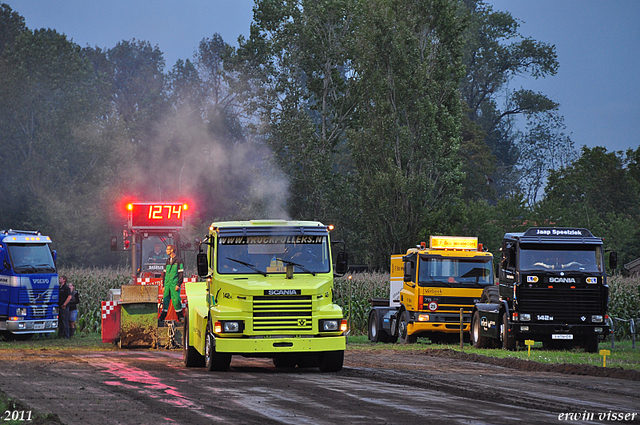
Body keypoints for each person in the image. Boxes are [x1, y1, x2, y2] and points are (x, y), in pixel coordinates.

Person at [158, 245, 184, 323]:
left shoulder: (179, 260)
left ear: (172, 250)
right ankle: (162, 317)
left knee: (176, 300)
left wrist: (178, 284)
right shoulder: (168, 260)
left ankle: (180, 317)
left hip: (174, 284)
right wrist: (164, 285)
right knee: (165, 300)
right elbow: (164, 274)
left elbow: (181, 273)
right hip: (167, 284)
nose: (166, 250)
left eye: (167, 249)